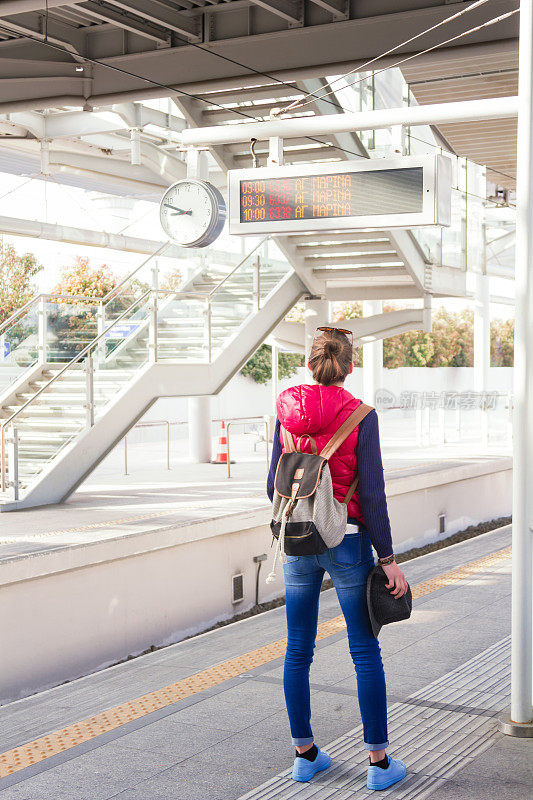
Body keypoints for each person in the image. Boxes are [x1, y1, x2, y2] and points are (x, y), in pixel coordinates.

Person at [266, 326, 408, 791]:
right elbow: (372, 491)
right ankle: (379, 764)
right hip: (346, 540)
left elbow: (274, 484)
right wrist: (387, 557)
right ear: (349, 367)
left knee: (297, 650)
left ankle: (305, 755)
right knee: (364, 651)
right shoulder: (361, 416)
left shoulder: (285, 411)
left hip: (298, 537)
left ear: (310, 365)